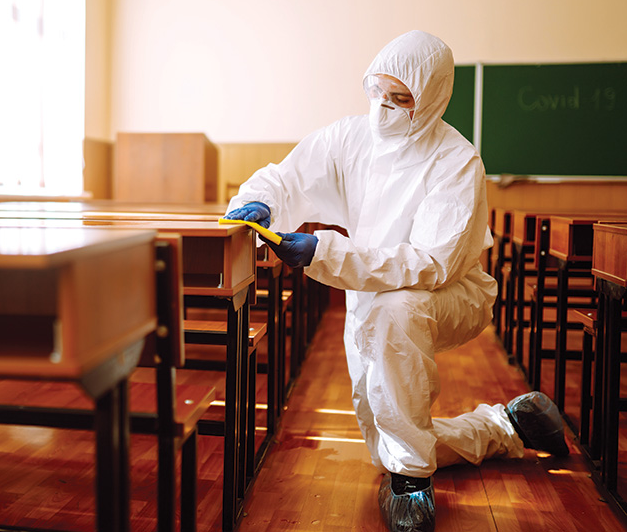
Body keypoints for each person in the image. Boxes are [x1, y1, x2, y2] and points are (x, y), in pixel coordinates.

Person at [224, 30, 568, 532]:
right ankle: (506, 425)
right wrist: (260, 201)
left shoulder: (455, 160)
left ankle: (411, 481)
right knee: (381, 435)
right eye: (378, 92)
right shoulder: (350, 136)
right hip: (367, 286)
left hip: (451, 292)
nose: (384, 107)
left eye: (400, 99)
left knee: (397, 310)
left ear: (430, 98)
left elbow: (429, 264)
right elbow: (288, 176)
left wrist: (325, 252)